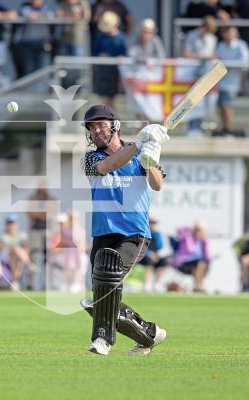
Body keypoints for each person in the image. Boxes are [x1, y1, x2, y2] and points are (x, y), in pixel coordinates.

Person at [79, 104, 169, 356]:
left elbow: (157, 184)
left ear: (115, 125)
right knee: (104, 295)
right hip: (103, 232)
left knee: (107, 280)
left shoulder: (139, 154)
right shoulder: (91, 158)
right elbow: (109, 166)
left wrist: (151, 158)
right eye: (92, 127)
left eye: (101, 124)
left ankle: (102, 340)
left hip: (134, 233)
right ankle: (150, 333)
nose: (96, 130)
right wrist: (138, 145)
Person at [182, 16, 218, 137]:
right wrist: (202, 57)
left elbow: (213, 55)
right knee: (193, 101)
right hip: (193, 74)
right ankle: (191, 127)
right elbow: (186, 53)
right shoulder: (192, 35)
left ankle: (199, 126)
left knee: (205, 103)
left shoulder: (212, 38)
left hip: (206, 75)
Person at [214, 26, 249, 136]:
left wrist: (227, 64)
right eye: (226, 33)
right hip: (220, 81)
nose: (228, 35)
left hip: (234, 81)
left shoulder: (241, 45)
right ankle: (224, 128)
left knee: (226, 105)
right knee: (222, 105)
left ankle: (228, 129)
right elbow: (216, 60)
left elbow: (245, 63)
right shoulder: (221, 45)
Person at [92, 11, 128, 107]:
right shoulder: (99, 38)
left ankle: (112, 118)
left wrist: (121, 58)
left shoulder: (122, 38)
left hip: (116, 74)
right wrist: (100, 56)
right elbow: (95, 53)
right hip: (103, 73)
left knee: (114, 100)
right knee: (104, 99)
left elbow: (124, 54)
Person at [25, 181, 57, 290]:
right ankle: (31, 283)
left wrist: (41, 213)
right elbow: (31, 213)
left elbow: (51, 213)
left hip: (47, 230)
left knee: (49, 257)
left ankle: (50, 283)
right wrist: (42, 213)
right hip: (35, 231)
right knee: (34, 256)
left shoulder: (51, 199)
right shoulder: (32, 199)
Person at [49, 211, 88, 293]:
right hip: (68, 251)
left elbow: (83, 243)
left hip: (77, 251)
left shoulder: (80, 230)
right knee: (68, 268)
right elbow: (62, 243)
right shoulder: (65, 231)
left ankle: (78, 283)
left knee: (77, 268)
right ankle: (67, 283)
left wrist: (79, 245)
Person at [169, 221, 211, 293]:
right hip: (183, 263)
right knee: (200, 264)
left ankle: (198, 286)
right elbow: (179, 230)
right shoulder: (187, 237)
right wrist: (191, 230)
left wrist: (205, 241)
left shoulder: (203, 241)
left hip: (197, 265)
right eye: (197, 230)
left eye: (200, 230)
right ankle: (198, 286)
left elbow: (207, 256)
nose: (198, 232)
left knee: (202, 264)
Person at [56, 0, 90, 86]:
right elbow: (59, 15)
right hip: (65, 38)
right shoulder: (63, 4)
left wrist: (68, 15)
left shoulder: (83, 3)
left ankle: (78, 87)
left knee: (78, 65)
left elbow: (86, 17)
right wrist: (72, 16)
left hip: (78, 40)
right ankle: (67, 86)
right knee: (65, 65)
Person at [0, 213, 33, 290]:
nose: (11, 225)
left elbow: (26, 248)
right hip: (4, 256)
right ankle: (28, 264)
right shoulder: (1, 235)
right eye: (9, 223)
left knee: (16, 258)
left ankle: (15, 282)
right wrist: (10, 247)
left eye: (13, 223)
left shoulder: (22, 235)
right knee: (14, 249)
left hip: (18, 257)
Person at [139, 218, 167, 293]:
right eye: (151, 223)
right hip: (142, 256)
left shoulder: (157, 234)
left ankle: (157, 284)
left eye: (154, 223)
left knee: (163, 261)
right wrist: (150, 253)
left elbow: (160, 246)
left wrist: (156, 235)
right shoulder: (143, 234)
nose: (153, 225)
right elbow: (140, 247)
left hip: (154, 256)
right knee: (149, 261)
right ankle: (147, 283)